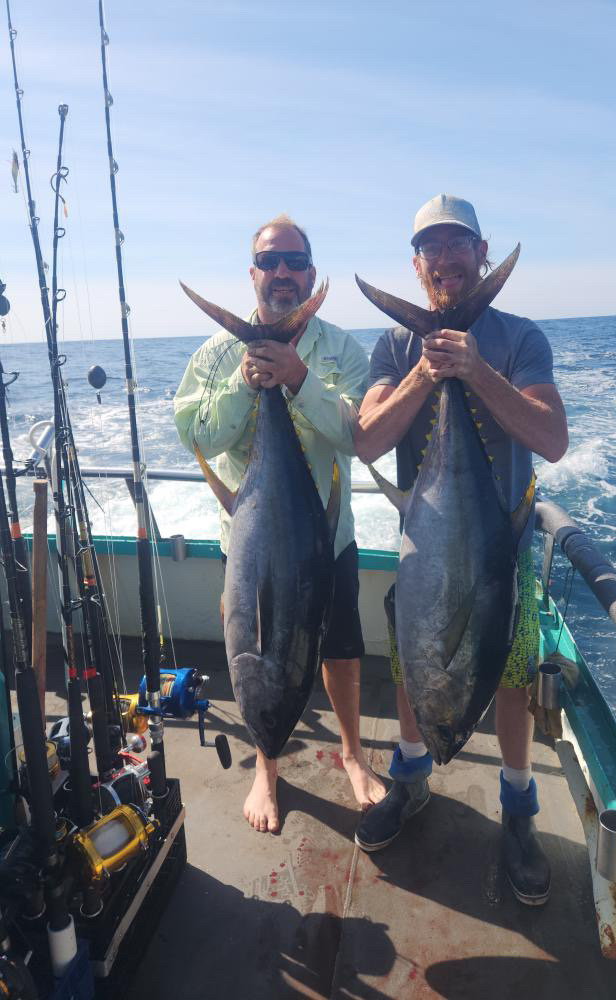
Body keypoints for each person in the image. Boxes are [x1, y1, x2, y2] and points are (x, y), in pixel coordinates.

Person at [352, 194, 568, 905]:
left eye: (458, 245)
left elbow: (551, 439)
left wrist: (474, 370)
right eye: (431, 249)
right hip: (424, 550)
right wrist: (426, 372)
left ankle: (517, 809)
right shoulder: (391, 346)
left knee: (506, 678)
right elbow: (368, 440)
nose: (446, 259)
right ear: (417, 266)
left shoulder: (519, 338)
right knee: (418, 664)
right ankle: (410, 779)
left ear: (482, 252)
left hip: (496, 552)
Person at [174, 214, 386, 833]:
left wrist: (297, 380)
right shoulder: (217, 353)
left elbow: (356, 435)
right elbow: (194, 435)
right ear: (254, 273)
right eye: (271, 262)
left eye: (294, 263)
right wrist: (246, 385)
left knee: (342, 649)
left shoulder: (341, 350)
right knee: (253, 645)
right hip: (250, 544)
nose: (283, 273)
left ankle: (349, 752)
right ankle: (266, 768)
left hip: (326, 538)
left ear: (311, 274)